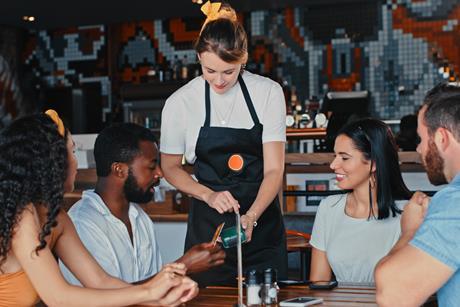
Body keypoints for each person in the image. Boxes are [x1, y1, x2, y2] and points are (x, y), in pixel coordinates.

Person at [0, 111, 198, 307]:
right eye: (72, 152)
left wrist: (159, 298)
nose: (76, 163)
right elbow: (59, 298)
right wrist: (150, 292)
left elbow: (100, 282)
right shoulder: (24, 218)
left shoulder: (58, 219)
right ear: (51, 162)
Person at [160, 1, 288, 286]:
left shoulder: (268, 93)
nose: (218, 81)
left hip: (261, 226)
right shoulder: (180, 103)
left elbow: (274, 170)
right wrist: (208, 195)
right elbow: (169, 167)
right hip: (209, 235)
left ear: (242, 59)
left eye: (228, 72)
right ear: (198, 58)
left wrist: (252, 215)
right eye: (209, 70)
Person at [59, 123, 225, 284]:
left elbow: (152, 292)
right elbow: (109, 299)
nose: (160, 173)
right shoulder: (83, 224)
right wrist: (183, 267)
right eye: (152, 166)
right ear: (119, 170)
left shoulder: (139, 218)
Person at [375, 82, 460, 306]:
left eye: (422, 139)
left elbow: (392, 294)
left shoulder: (455, 201)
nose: (420, 149)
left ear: (442, 137)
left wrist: (410, 230)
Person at [309, 118, 412, 283]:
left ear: (373, 164)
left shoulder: (408, 214)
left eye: (344, 158)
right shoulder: (328, 208)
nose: (333, 165)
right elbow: (318, 283)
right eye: (335, 156)